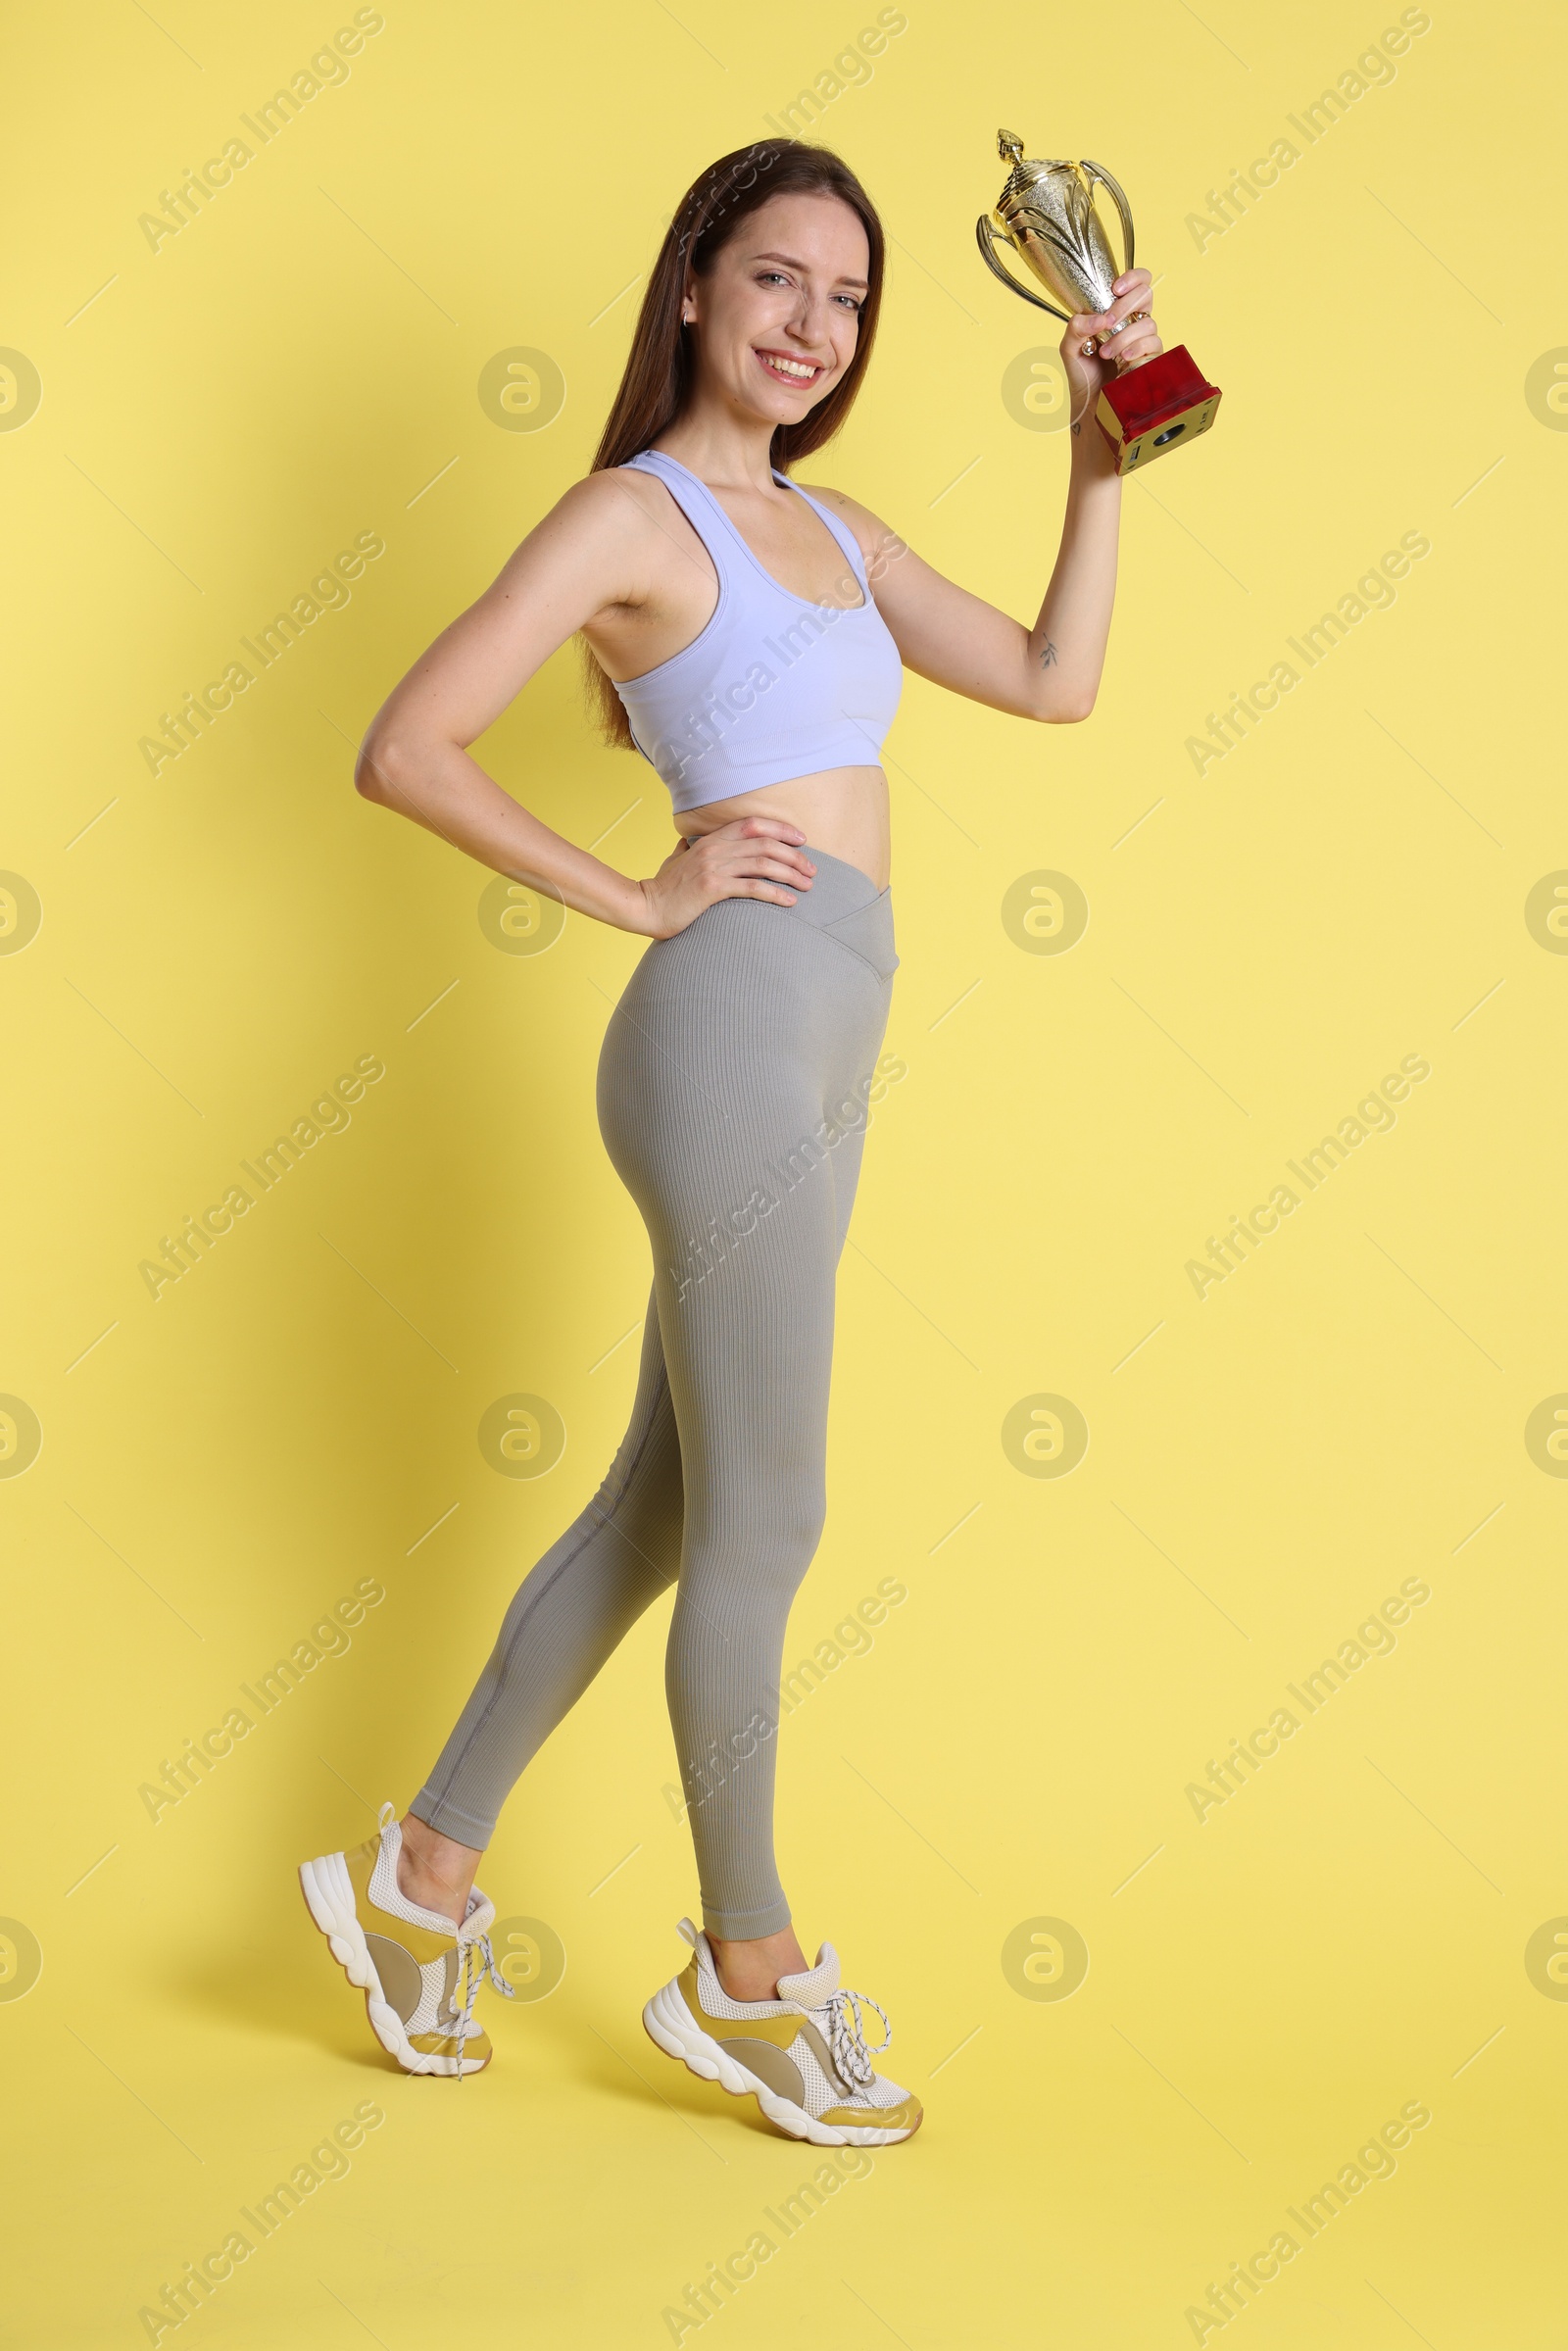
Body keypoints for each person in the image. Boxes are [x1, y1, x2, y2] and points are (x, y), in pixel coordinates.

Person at [299, 136, 1160, 2146]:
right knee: (771, 1521)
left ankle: (417, 1879)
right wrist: (638, 900)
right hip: (727, 1022)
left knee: (669, 1504)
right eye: (776, 281)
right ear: (692, 286)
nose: (809, 327)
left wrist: (1099, 450)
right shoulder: (631, 513)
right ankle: (744, 1970)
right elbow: (402, 744)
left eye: (848, 300)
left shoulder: (836, 532)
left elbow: (1054, 680)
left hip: (833, 1019)